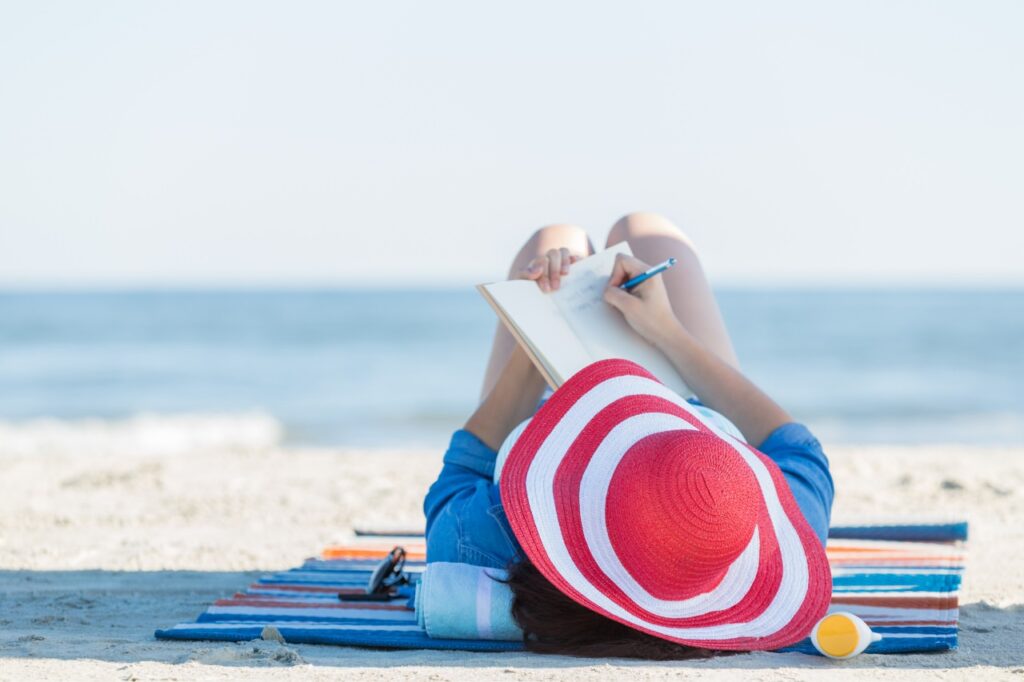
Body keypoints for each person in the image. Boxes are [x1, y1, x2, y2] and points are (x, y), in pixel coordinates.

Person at [423, 212, 835, 658]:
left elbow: (466, 467)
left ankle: (558, 285)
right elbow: (797, 447)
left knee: (555, 241)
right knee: (643, 230)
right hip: (684, 412)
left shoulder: (498, 533)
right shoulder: (766, 532)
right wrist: (667, 332)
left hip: (550, 421)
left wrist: (539, 333)